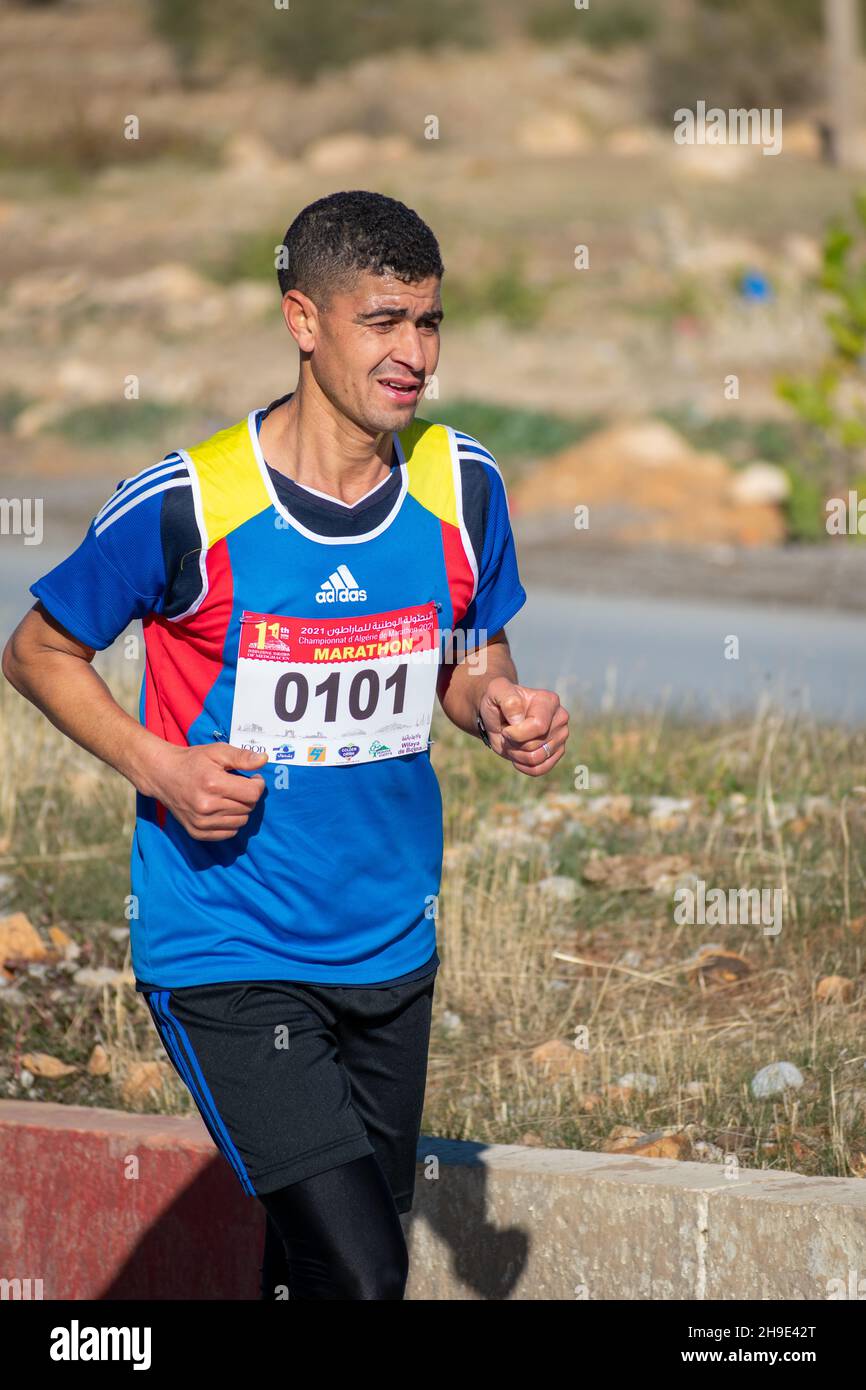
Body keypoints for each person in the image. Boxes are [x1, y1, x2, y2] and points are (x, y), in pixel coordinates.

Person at [2, 190, 570, 1300]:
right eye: (383, 321)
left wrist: (500, 705)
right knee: (362, 1274)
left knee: (313, 1265)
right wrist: (157, 764)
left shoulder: (460, 483)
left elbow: (466, 655)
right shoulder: (189, 505)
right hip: (231, 949)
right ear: (303, 318)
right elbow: (36, 651)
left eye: (431, 323)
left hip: (389, 947)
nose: (413, 354)